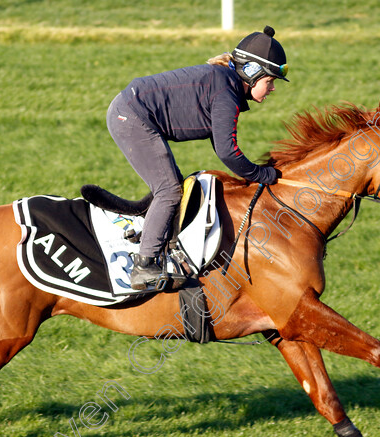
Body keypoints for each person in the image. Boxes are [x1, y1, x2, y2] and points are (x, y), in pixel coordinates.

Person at [107, 26, 289, 290]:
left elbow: (222, 143)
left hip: (132, 110)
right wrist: (262, 175)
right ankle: (143, 267)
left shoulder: (226, 85)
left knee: (171, 186)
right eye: (269, 81)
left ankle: (162, 245)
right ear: (251, 73)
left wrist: (252, 171)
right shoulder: (226, 94)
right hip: (131, 115)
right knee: (169, 190)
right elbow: (228, 151)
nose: (272, 89)